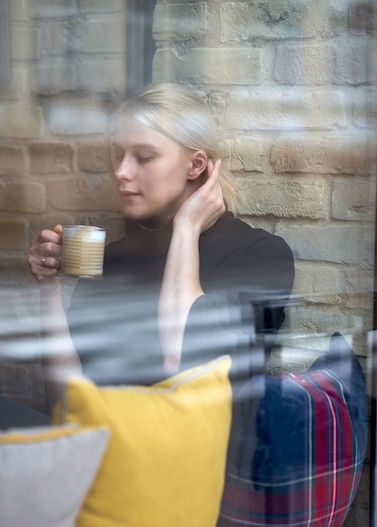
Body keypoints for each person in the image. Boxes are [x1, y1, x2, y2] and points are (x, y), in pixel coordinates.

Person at [27, 82, 295, 413]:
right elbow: (65, 400)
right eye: (118, 154)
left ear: (196, 166)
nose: (120, 172)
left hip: (192, 458)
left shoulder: (261, 255)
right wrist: (49, 288)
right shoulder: (114, 258)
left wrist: (187, 227)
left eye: (143, 157)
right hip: (99, 446)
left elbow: (180, 362)